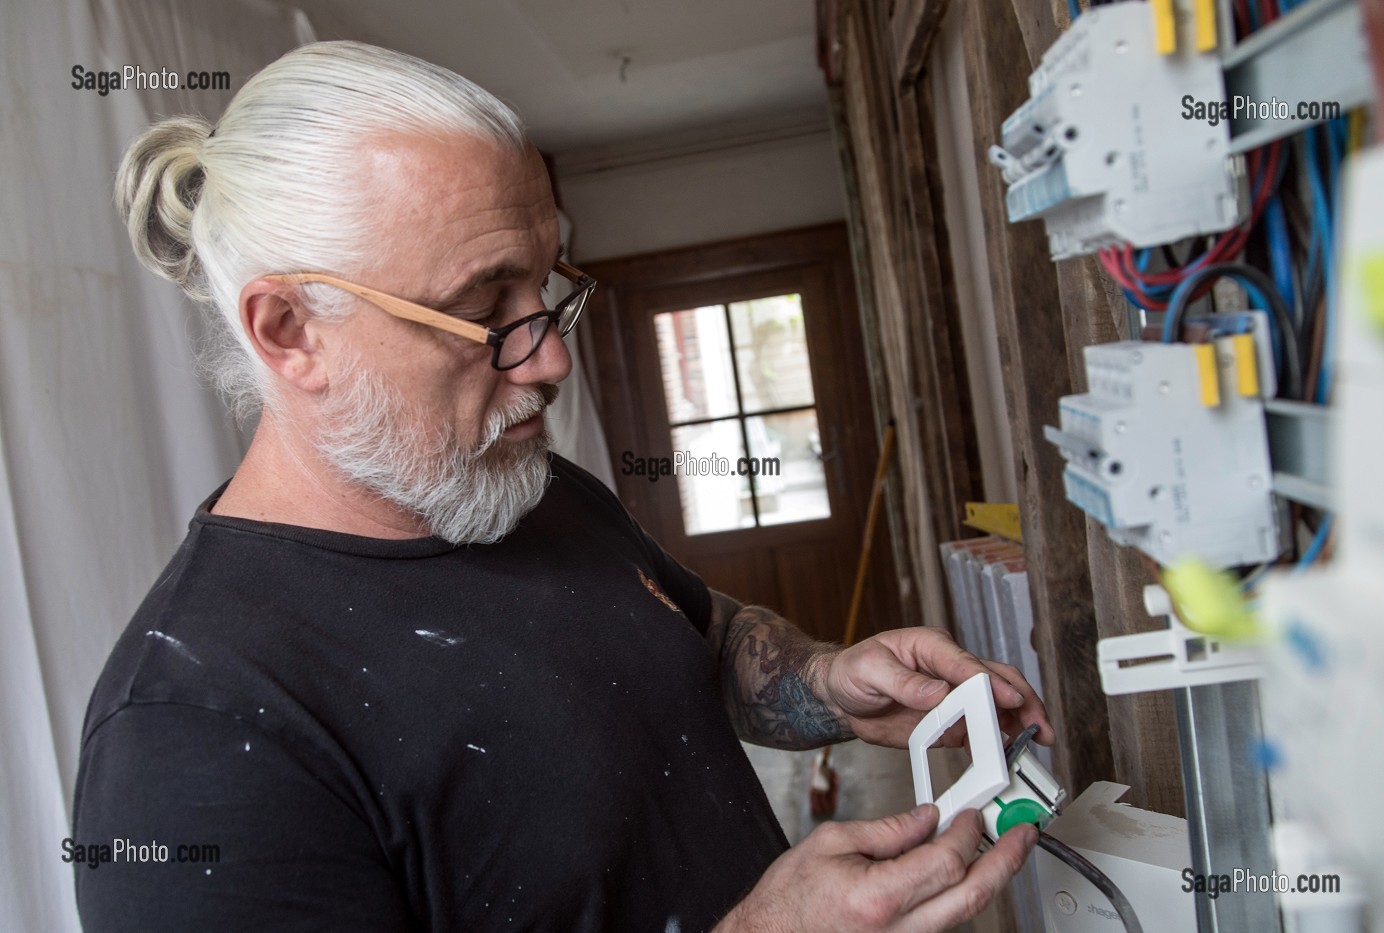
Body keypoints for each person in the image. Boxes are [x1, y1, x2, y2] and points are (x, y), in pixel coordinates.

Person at [72, 41, 1054, 932]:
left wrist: (824, 684)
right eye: (483, 310)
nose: (547, 363)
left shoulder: (529, 488)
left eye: (546, 289)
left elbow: (697, 639)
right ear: (290, 330)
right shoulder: (190, 737)